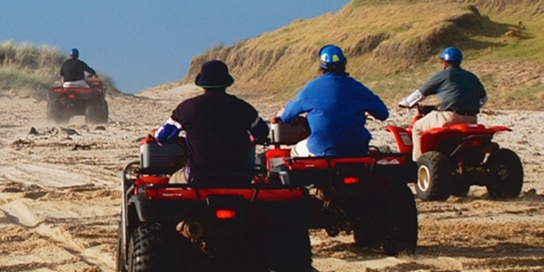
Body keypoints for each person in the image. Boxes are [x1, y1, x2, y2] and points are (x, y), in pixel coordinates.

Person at [154, 59, 269, 187]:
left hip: (199, 177)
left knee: (173, 180)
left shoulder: (187, 109)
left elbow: (162, 138)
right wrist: (251, 139)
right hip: (239, 176)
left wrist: (157, 134)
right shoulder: (243, 107)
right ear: (226, 83)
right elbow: (263, 133)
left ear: (202, 85)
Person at [278, 45, 389, 157]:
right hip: (357, 150)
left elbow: (286, 117)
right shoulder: (358, 88)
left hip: (321, 150)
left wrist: (283, 111)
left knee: (295, 152)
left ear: (321, 66)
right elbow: (383, 113)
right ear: (344, 63)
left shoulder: (310, 89)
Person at [399, 46, 487, 161]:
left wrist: (406, 103)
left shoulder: (444, 75)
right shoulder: (472, 76)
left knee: (417, 127)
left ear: (444, 63)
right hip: (472, 119)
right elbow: (484, 99)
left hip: (450, 118)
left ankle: (419, 162)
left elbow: (420, 93)